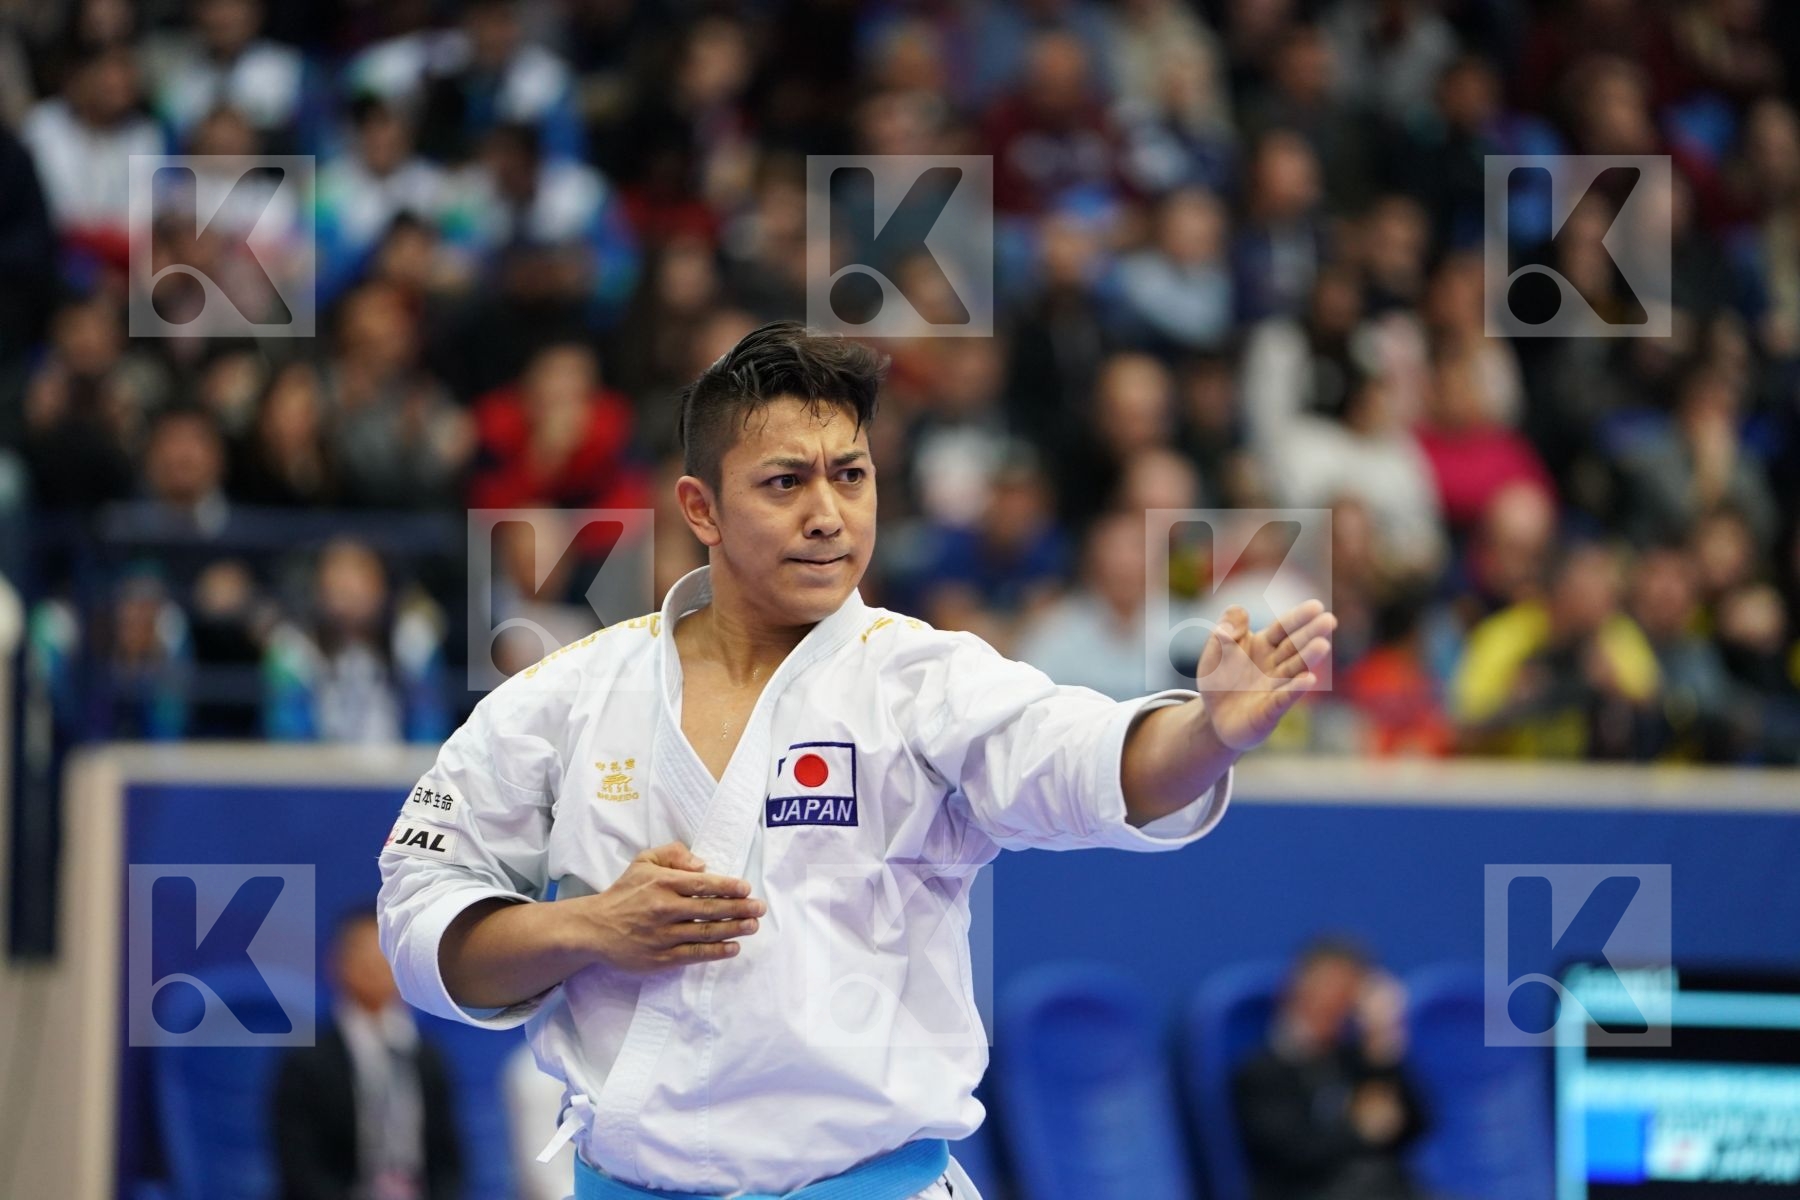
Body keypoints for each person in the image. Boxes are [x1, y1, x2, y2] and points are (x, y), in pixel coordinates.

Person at [375, 321, 1337, 1200]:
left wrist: (1208, 733)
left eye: (851, 475)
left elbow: (1086, 765)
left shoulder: (924, 681)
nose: (829, 514)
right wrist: (587, 928)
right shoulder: (569, 695)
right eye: (785, 483)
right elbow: (421, 909)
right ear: (701, 509)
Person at [272, 906, 464, 1200]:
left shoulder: (427, 1056)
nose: (375, 964)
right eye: (363, 952)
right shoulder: (305, 1060)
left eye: (384, 953)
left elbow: (448, 1159)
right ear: (336, 963)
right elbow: (299, 1166)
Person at [1234, 937, 1430, 1200]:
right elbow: (1298, 1155)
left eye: (1347, 993)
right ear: (1300, 991)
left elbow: (1412, 1128)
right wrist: (1360, 1130)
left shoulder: (1358, 1060)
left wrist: (1382, 1040)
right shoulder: (1261, 1072)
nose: (1335, 1003)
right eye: (1329, 989)